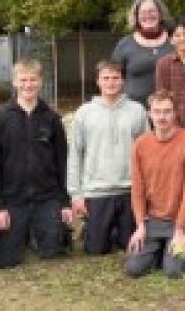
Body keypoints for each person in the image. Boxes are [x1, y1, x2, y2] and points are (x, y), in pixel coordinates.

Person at [0, 59, 72, 269]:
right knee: (5, 260)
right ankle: (22, 233)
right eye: (23, 80)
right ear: (14, 82)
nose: (28, 85)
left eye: (33, 79)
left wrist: (64, 202)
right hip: (13, 198)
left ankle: (39, 232)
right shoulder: (0, 119)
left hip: (47, 196)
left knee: (53, 251)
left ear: (40, 82)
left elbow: (62, 161)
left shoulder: (51, 118)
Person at [67, 60, 149, 255]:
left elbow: (147, 153)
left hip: (129, 189)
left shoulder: (137, 110)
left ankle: (119, 229)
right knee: (96, 249)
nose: (111, 82)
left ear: (122, 81)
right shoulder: (84, 113)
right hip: (97, 191)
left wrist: (146, 189)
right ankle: (95, 228)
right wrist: (76, 195)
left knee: (128, 244)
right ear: (98, 82)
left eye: (115, 78)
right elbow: (75, 155)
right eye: (106, 78)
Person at [125, 90, 185, 278]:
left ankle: (184, 243)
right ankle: (159, 247)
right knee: (134, 269)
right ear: (149, 114)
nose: (162, 117)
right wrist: (140, 226)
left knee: (174, 272)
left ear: (174, 113)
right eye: (157, 111)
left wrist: (181, 229)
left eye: (167, 111)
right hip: (152, 220)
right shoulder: (140, 144)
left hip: (179, 219)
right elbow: (138, 189)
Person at [112, 0, 175, 107]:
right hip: (133, 111)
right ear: (136, 17)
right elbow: (113, 79)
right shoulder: (125, 44)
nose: (148, 15)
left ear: (160, 14)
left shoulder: (174, 41)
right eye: (143, 12)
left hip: (168, 113)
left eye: (152, 11)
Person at [155, 17, 185, 130]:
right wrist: (175, 125)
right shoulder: (164, 63)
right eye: (177, 35)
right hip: (174, 125)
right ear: (171, 39)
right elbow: (163, 96)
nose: (182, 38)